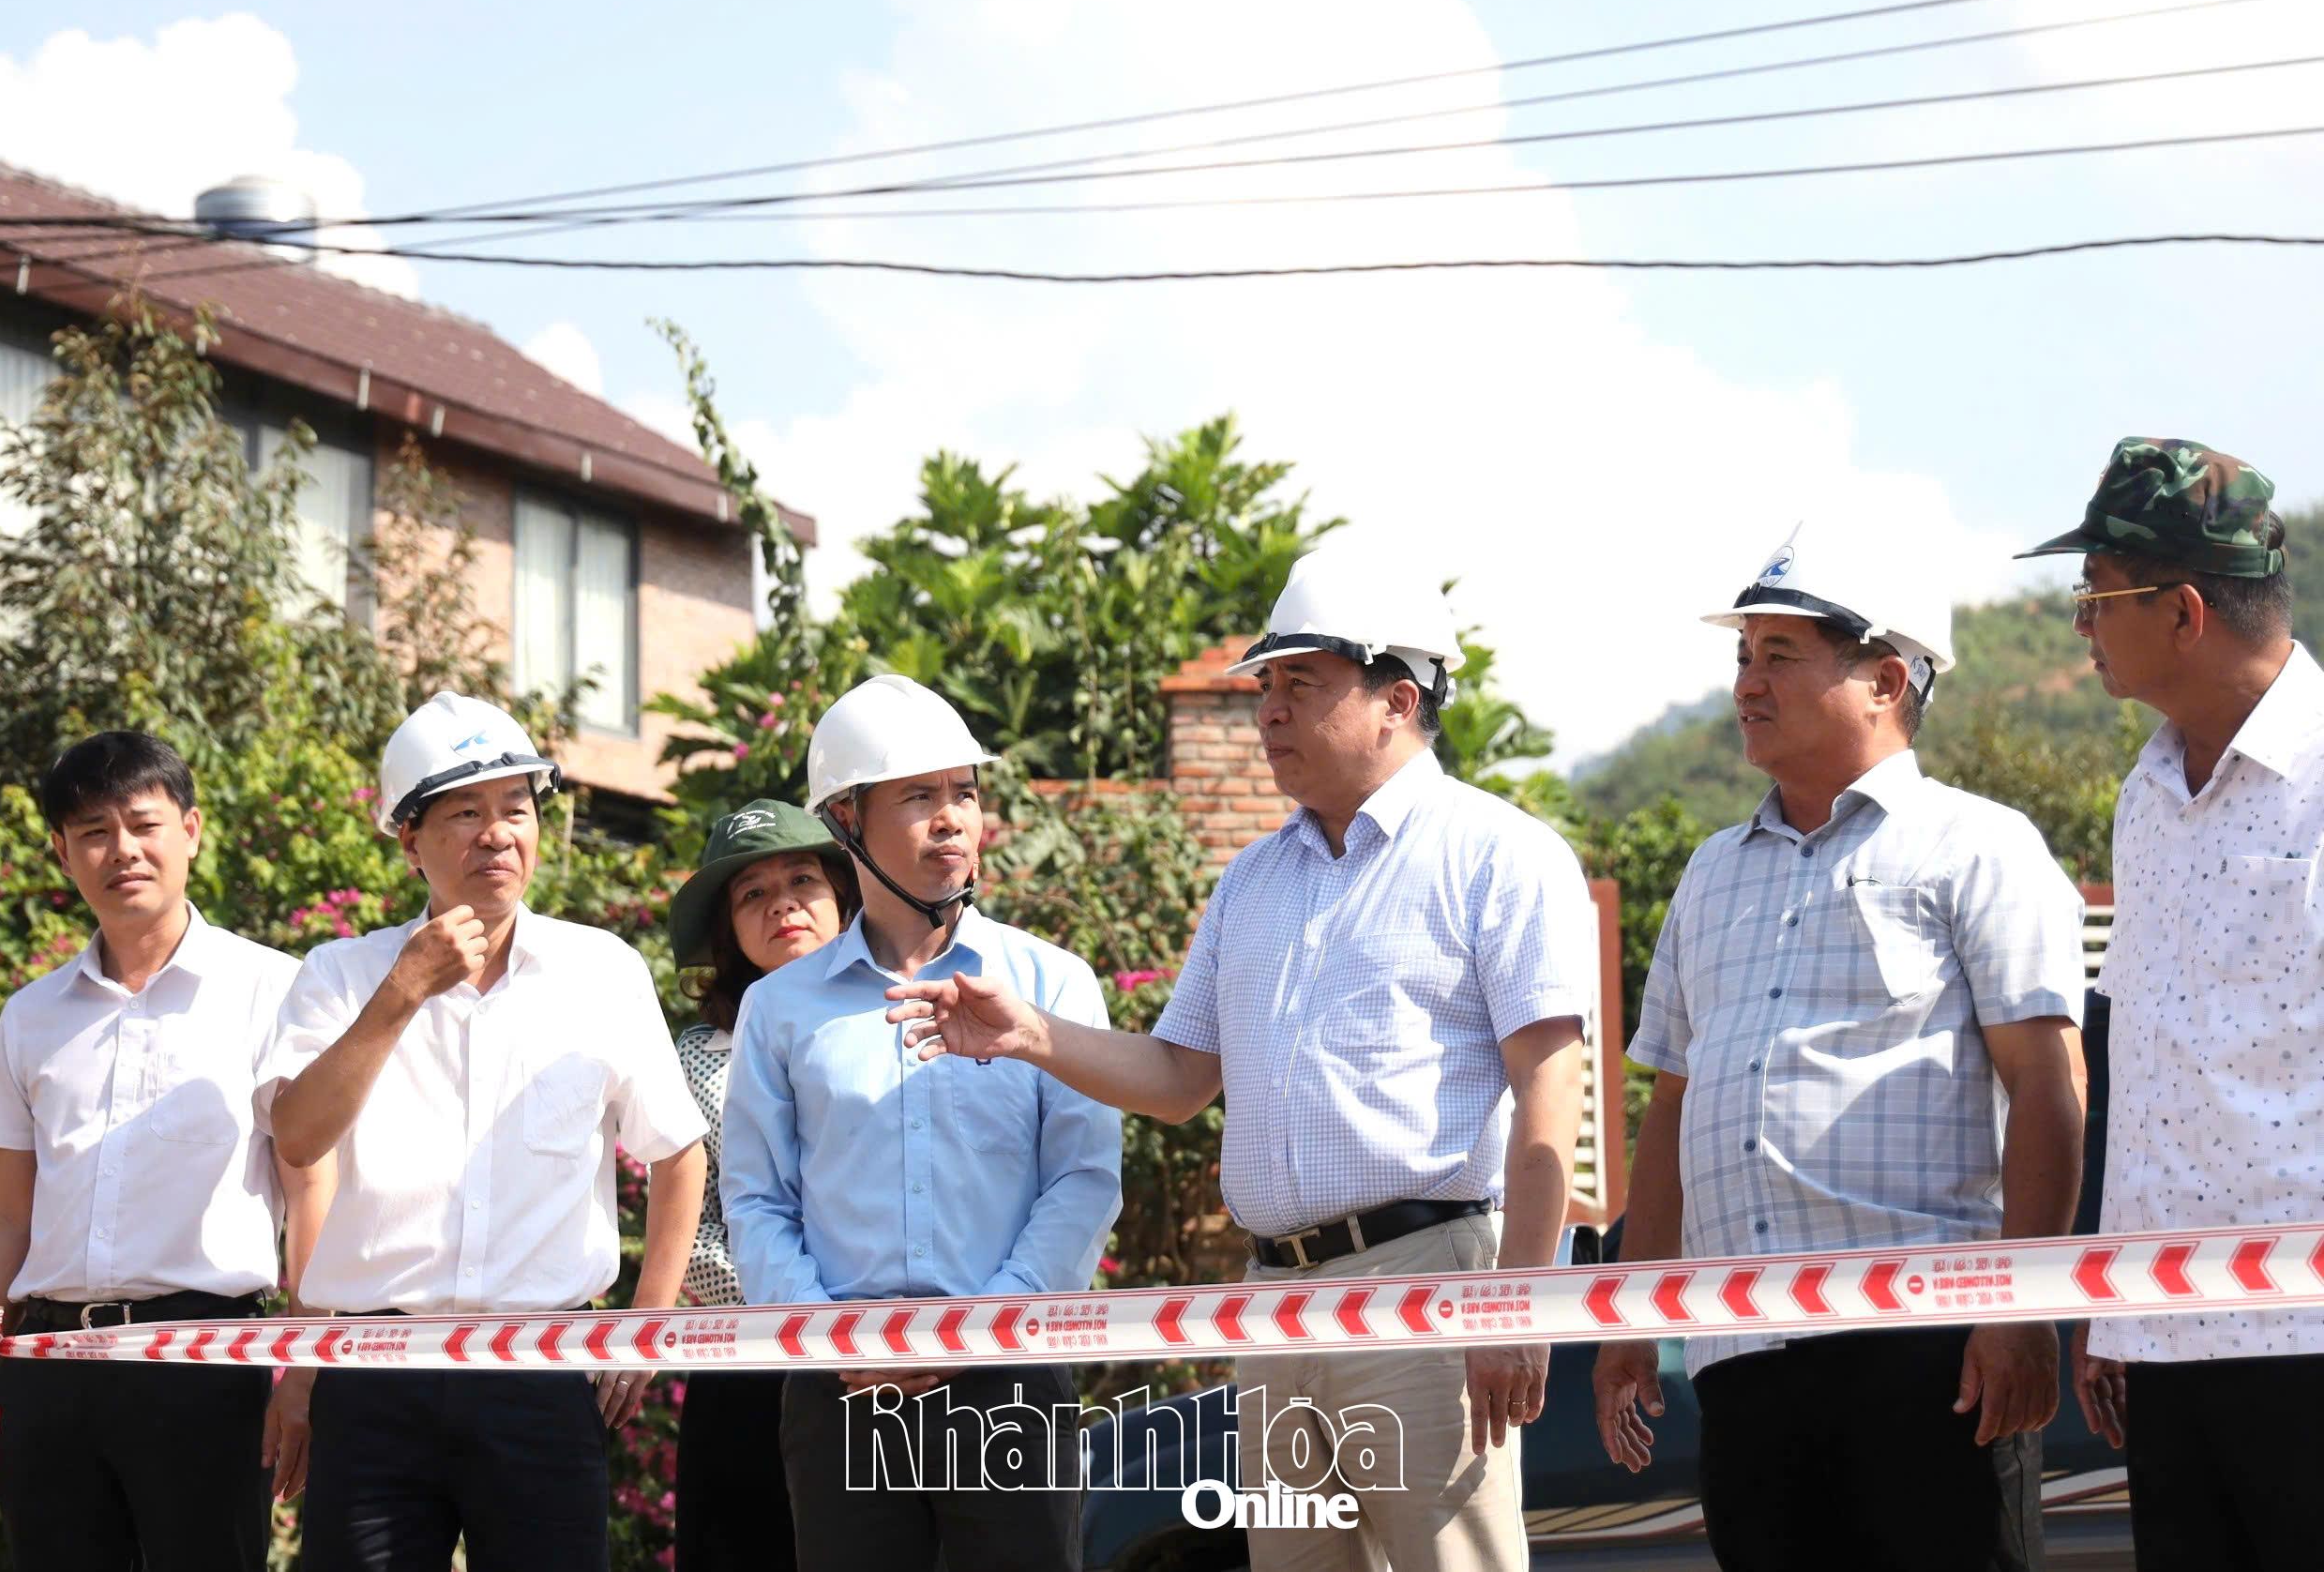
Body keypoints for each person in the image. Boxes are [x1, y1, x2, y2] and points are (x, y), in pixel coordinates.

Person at [885, 546, 1594, 1572]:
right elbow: (1181, 1081)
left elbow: (1550, 1091)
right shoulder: (1253, 880)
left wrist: (1514, 1304)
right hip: (1274, 1304)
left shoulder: (1499, 854)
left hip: (1427, 1290)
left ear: (1398, 700)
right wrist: (1028, 1034)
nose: (1269, 711)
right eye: (1266, 686)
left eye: (1299, 683)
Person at [1590, 524, 2088, 1572]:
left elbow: (2048, 1085)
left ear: (1887, 679)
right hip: (1741, 1357)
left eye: (1780, 654)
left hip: (1929, 1349)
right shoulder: (1710, 872)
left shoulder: (1979, 846)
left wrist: (2023, 1311)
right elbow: (1672, 1108)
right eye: (1743, 654)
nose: (1746, 683)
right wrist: (1630, 1317)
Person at [258, 692, 709, 1572]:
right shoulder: (341, 973)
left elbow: (677, 1153)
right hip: (375, 1369)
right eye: (465, 812)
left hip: (541, 1368)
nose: (497, 834)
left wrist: (646, 1325)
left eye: (516, 808)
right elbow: (299, 1138)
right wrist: (401, 992)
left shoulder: (601, 969)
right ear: (409, 838)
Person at [720, 675, 1123, 1572]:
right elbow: (755, 1199)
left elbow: (1083, 1178)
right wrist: (831, 1337)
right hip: (840, 1387)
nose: (951, 819)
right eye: (918, 795)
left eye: (964, 793)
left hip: (1012, 1372)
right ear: (846, 820)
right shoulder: (779, 1008)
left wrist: (987, 1325)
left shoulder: (1052, 983)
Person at [2016, 439, 2322, 1572]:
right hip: (2169, 1338)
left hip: (2307, 1332)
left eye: (2096, 596)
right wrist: (2113, 1299)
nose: (2079, 626)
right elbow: (2142, 1055)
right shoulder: (2143, 796)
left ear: (2183, 611)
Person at [0, 732, 306, 1570]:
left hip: (203, 1362)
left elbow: (314, 1193)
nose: (123, 849)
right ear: (62, 854)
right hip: (49, 1369)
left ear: (191, 831)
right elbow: (5, 1220)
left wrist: (306, 1373)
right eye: (94, 831)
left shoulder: (273, 989)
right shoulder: (32, 1014)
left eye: (144, 823)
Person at [665, 798, 859, 1571]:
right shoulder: (698, 1054)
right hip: (745, 1362)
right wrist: (793, 1301)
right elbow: (692, 1224)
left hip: (890, 1352)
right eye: (753, 892)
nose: (782, 903)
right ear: (729, 929)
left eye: (803, 878)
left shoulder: (905, 1018)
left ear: (843, 895)